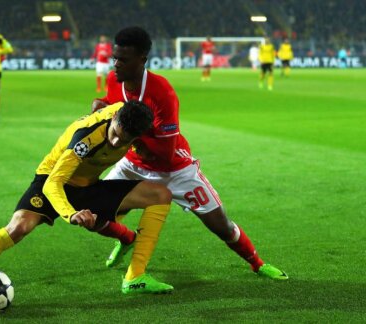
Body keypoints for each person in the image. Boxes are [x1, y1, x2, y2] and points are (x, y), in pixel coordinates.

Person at [0, 101, 174, 315]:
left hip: (88, 185)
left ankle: (134, 277)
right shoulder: (87, 137)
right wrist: (70, 213)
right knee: (19, 227)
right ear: (114, 119)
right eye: (116, 134)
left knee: (161, 194)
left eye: (126, 139)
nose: (116, 141)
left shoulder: (133, 125)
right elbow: (53, 184)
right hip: (51, 179)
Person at [92, 26, 288, 280]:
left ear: (142, 60)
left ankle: (257, 263)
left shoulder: (162, 92)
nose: (116, 64)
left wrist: (129, 138)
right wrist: (100, 107)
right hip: (133, 165)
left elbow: (163, 152)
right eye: (114, 58)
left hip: (175, 170)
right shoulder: (113, 79)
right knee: (95, 213)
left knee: (222, 226)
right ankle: (127, 239)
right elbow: (113, 107)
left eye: (123, 60)